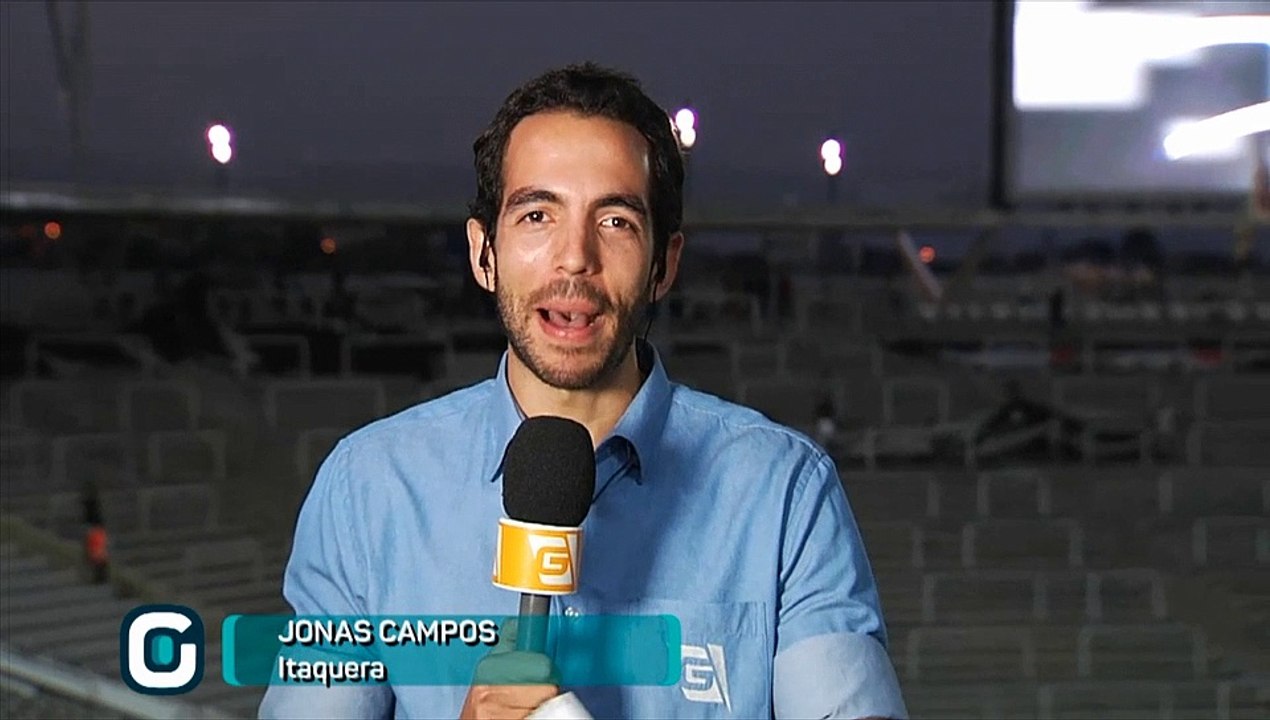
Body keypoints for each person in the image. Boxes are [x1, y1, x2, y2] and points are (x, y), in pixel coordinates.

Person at [260, 63, 905, 720]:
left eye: (616, 221)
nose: (575, 257)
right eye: (537, 214)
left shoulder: (783, 494)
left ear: (665, 264)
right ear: (484, 253)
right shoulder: (367, 491)